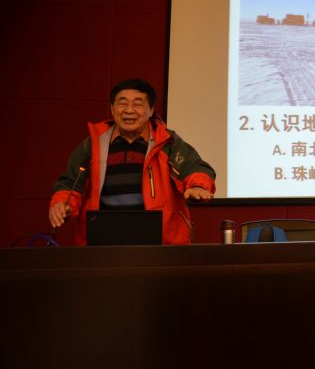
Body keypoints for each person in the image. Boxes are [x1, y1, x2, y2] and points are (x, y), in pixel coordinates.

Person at [49, 78, 215, 245]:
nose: (129, 110)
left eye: (138, 104)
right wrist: (62, 204)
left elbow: (194, 167)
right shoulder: (93, 144)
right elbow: (71, 183)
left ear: (151, 110)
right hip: (102, 243)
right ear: (112, 109)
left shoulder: (167, 142)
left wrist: (198, 185)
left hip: (160, 244)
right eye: (122, 103)